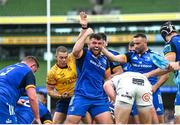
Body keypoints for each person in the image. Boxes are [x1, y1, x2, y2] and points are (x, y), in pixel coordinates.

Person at [102, 33, 168, 123]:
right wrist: (102, 48)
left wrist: (155, 87)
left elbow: (166, 72)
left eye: (137, 44)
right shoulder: (130, 56)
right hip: (136, 91)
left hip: (153, 91)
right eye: (134, 43)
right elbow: (114, 58)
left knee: (159, 121)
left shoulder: (154, 56)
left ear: (145, 43)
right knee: (136, 121)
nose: (135, 46)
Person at [64, 12, 113, 124]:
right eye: (94, 43)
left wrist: (110, 94)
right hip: (82, 96)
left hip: (99, 98)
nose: (96, 45)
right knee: (70, 122)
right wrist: (86, 33)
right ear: (89, 44)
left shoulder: (105, 60)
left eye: (99, 43)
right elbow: (75, 50)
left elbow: (107, 78)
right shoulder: (84, 54)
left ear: (103, 45)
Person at [145, 21, 180, 124]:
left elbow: (168, 67)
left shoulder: (170, 44)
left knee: (178, 118)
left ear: (164, 34)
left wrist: (148, 74)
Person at [0, 56, 41, 124]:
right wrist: (37, 117)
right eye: (35, 71)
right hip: (3, 100)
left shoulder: (8, 68)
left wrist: (15, 99)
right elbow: (32, 98)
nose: (34, 74)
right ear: (33, 66)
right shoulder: (28, 71)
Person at [46, 46, 77, 124]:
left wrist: (84, 33)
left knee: (89, 121)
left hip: (78, 97)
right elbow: (50, 91)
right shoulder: (52, 72)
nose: (64, 60)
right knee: (55, 123)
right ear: (56, 57)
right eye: (61, 58)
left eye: (65, 57)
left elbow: (78, 44)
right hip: (64, 99)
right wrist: (60, 96)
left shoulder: (71, 58)